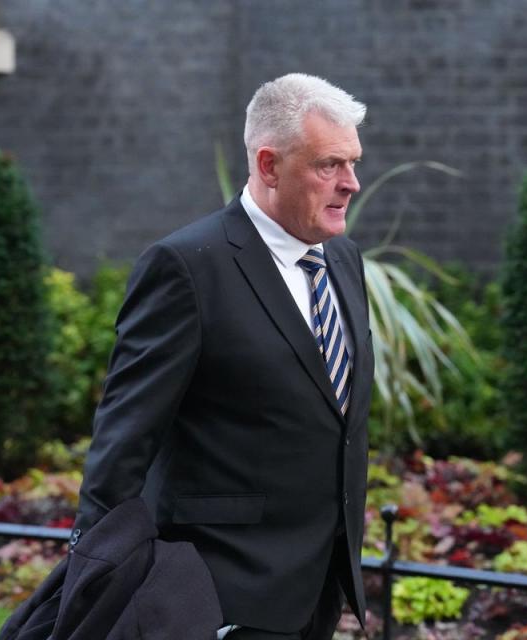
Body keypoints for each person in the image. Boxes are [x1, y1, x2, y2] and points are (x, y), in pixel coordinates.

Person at [71, 73, 374, 639]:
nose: (350, 183)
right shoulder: (186, 268)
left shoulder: (344, 260)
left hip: (320, 586)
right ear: (267, 165)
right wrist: (96, 582)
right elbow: (123, 441)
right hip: (218, 593)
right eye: (329, 165)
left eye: (353, 162)